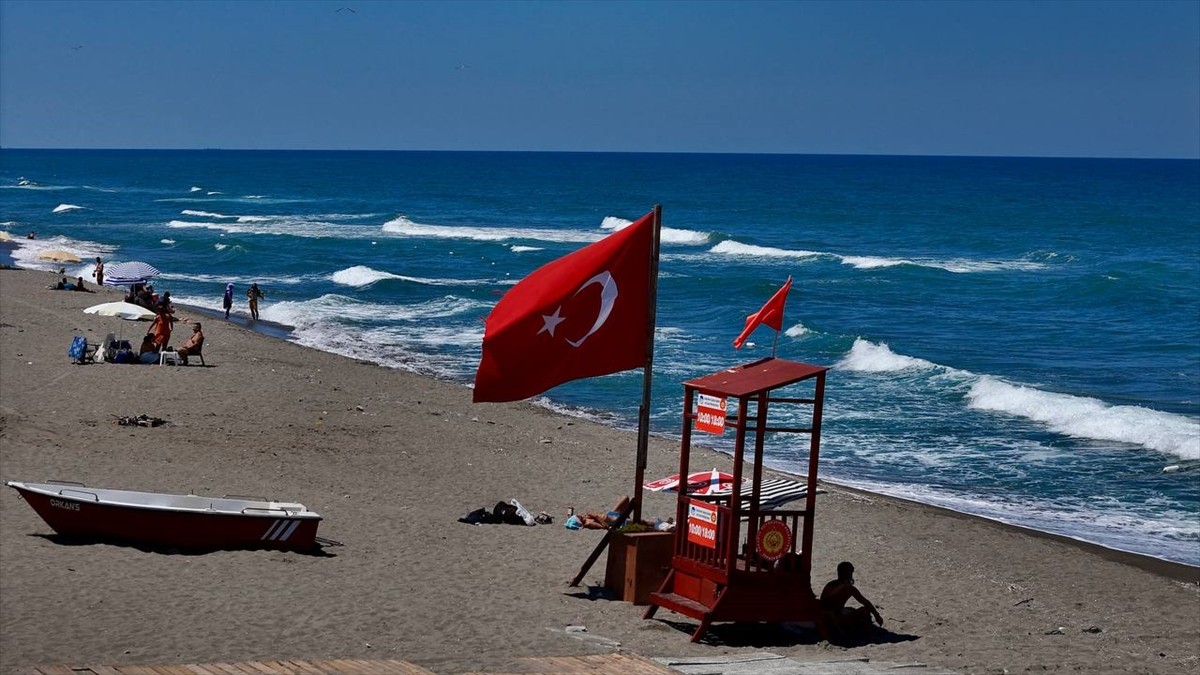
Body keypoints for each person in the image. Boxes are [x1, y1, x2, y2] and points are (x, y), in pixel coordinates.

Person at [820, 562, 883, 640]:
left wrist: (876, 615)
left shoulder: (849, 589)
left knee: (863, 611)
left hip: (840, 614)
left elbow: (865, 602)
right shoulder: (832, 585)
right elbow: (826, 598)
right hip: (829, 617)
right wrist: (843, 585)